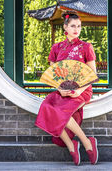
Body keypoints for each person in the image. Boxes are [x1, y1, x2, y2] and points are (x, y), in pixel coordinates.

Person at [35, 10, 99, 165]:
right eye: (73, 26)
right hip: (62, 90)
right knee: (47, 106)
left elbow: (93, 76)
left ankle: (87, 142)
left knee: (61, 111)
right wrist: (60, 88)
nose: (76, 29)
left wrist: (79, 90)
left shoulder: (86, 47)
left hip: (81, 90)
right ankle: (72, 145)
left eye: (79, 26)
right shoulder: (56, 48)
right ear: (65, 28)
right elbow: (54, 75)